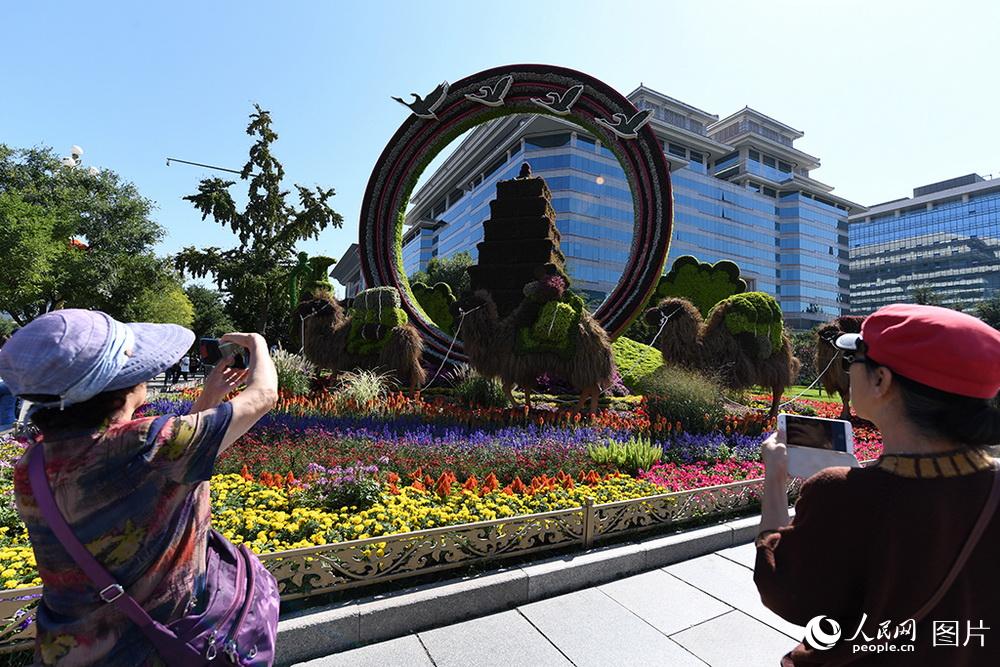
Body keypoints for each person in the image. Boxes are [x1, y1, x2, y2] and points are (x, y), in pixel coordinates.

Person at [0, 309, 278, 665]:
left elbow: (165, 467)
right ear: (120, 384)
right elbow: (263, 394)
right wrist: (260, 346)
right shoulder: (147, 443)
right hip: (154, 649)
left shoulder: (33, 464)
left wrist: (209, 397)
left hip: (72, 650)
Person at [754, 304, 1000, 666]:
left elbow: (785, 591)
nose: (847, 369)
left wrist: (774, 481)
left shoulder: (840, 495)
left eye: (853, 358)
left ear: (881, 380)